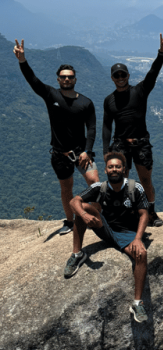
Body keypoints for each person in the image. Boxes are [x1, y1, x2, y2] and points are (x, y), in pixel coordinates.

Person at [13, 39, 99, 235]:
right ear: (58, 79)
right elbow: (32, 80)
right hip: (60, 154)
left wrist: (87, 151)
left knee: (95, 183)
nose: (67, 79)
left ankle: (97, 216)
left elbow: (91, 128)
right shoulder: (51, 95)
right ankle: (70, 221)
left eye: (70, 77)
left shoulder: (86, 102)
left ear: (75, 79)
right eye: (63, 77)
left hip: (81, 153)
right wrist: (22, 60)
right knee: (66, 189)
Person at [64, 152, 150, 323]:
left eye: (118, 166)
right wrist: (83, 214)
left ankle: (137, 303)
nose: (114, 169)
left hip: (128, 234)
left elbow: (144, 214)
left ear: (124, 170)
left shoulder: (135, 188)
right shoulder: (100, 187)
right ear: (105, 170)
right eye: (111, 167)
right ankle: (77, 254)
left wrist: (138, 238)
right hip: (106, 229)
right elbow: (74, 201)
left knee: (142, 255)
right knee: (83, 208)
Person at [102, 33, 163, 227]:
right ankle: (125, 213)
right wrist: (106, 150)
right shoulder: (109, 100)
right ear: (112, 78)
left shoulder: (140, 91)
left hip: (141, 142)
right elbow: (107, 125)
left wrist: (161, 53)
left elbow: (153, 72)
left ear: (128, 76)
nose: (121, 78)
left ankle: (151, 213)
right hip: (120, 143)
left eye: (123, 75)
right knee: (120, 181)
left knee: (145, 180)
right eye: (117, 75)